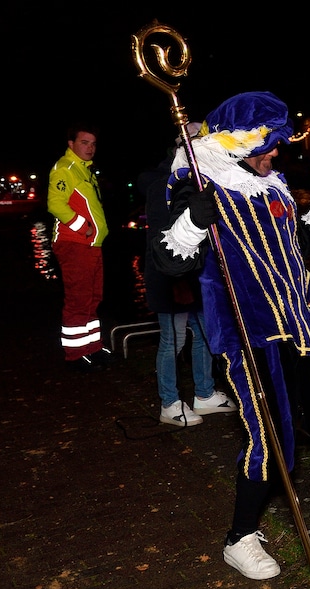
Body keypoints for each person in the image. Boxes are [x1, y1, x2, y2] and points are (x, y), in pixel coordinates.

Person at [147, 91, 310, 580]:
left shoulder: (273, 186)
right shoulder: (199, 185)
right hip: (250, 337)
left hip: (299, 325)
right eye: (267, 145)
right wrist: (194, 221)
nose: (275, 153)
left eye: (277, 144)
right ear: (238, 144)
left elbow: (298, 244)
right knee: (270, 439)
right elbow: (170, 262)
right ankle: (239, 538)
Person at [137, 123, 234, 427]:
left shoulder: (201, 179)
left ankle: (204, 395)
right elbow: (165, 234)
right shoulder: (163, 181)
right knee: (173, 339)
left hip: (198, 276)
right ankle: (169, 402)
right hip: (170, 277)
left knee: (206, 334)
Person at [47, 124, 111, 373]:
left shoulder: (85, 171)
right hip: (75, 244)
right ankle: (75, 355)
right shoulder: (66, 168)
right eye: (84, 142)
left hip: (91, 245)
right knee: (78, 299)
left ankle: (93, 348)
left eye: (93, 143)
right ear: (71, 144)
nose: (90, 148)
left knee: (93, 298)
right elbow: (55, 203)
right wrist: (81, 226)